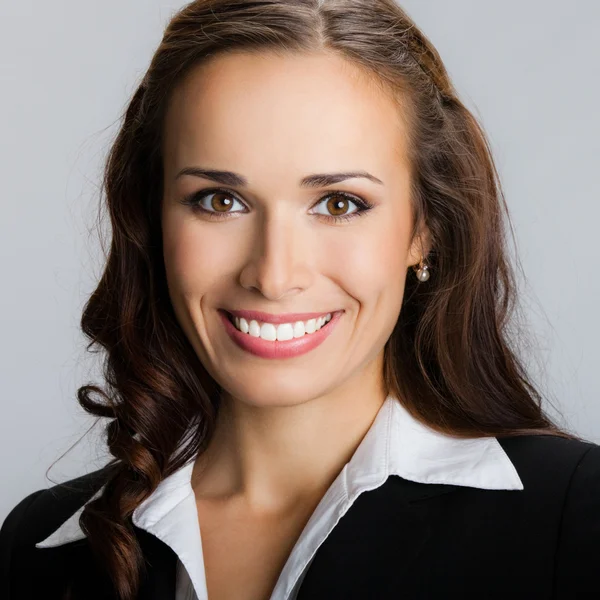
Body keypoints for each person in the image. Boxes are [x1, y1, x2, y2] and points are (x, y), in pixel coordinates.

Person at [2, 1, 599, 599]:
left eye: (339, 203)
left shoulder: (573, 521)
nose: (274, 274)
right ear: (153, 219)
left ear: (425, 230)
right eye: (218, 201)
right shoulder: (38, 549)